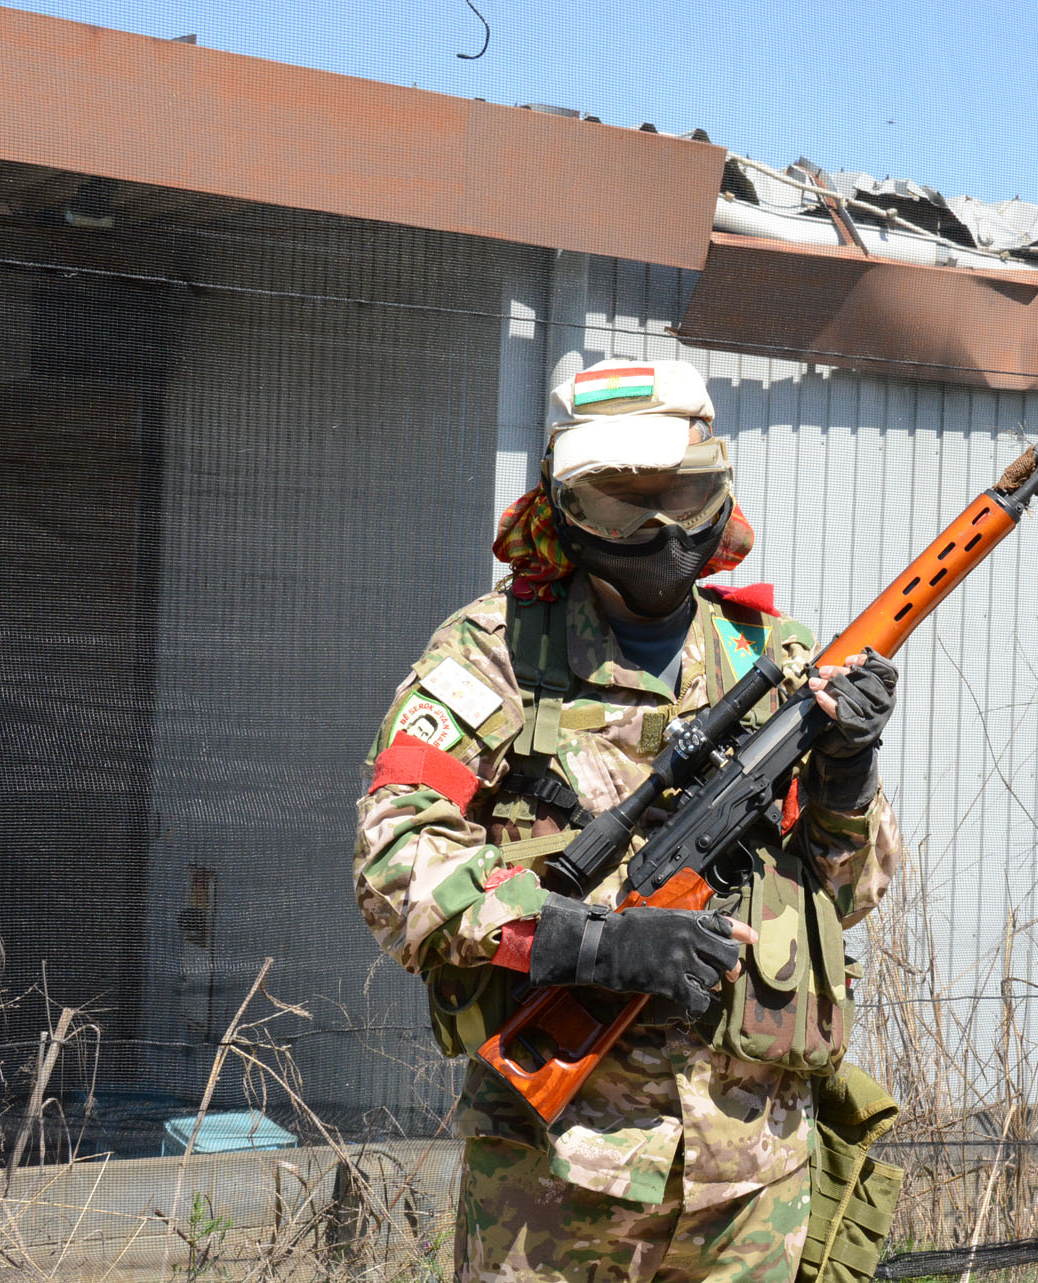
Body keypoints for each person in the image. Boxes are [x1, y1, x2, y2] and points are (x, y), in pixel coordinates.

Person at [354, 358, 905, 1283]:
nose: (657, 531)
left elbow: (849, 894)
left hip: (753, 1179)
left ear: (720, 493)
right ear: (566, 510)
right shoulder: (493, 655)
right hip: (555, 1183)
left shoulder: (773, 657)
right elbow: (392, 862)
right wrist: (588, 943)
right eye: (620, 507)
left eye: (683, 498)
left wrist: (848, 774)